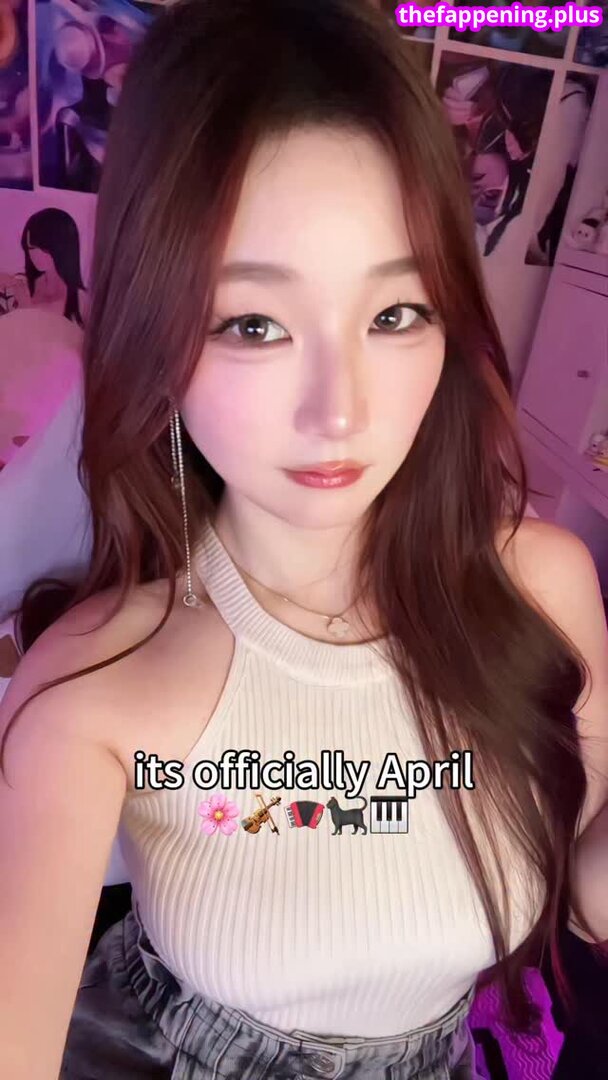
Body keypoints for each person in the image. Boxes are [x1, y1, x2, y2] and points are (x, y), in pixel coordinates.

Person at [0, 1, 607, 1078]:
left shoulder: (543, 587)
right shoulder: (98, 683)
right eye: (254, 324)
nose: (342, 412)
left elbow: (585, 898)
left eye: (395, 314)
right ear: (155, 339)